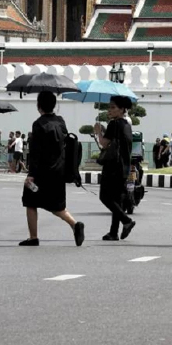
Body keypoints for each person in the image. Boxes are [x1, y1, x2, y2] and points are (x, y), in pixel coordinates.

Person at [19, 91, 84, 247]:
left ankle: (33, 237)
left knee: (30, 201)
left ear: (39, 106)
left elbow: (36, 152)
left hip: (42, 172)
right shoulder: (61, 121)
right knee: (56, 205)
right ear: (54, 105)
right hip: (59, 170)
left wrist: (31, 175)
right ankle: (75, 224)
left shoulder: (38, 124)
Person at [94, 96, 137, 241]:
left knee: (105, 197)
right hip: (123, 167)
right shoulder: (126, 125)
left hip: (112, 166)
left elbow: (104, 143)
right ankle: (113, 232)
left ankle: (126, 220)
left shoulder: (114, 124)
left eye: (113, 107)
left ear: (122, 109)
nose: (109, 110)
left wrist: (98, 132)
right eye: (109, 107)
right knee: (117, 200)